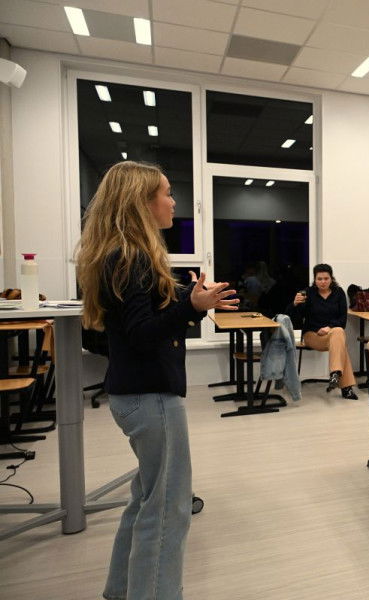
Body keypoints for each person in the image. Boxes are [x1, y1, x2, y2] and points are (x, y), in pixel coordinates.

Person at [76, 161, 238, 600]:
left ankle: (120, 590)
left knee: (146, 498)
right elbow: (143, 333)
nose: (173, 201)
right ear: (142, 203)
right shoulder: (131, 257)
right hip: (149, 397)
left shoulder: (121, 255)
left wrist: (189, 298)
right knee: (168, 509)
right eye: (166, 193)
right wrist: (192, 307)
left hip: (133, 393)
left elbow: (143, 313)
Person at [287, 263, 358, 400]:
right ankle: (345, 387)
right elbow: (294, 319)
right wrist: (294, 304)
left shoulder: (339, 293)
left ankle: (335, 374)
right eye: (319, 279)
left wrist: (328, 328)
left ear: (331, 278)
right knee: (340, 342)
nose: (323, 282)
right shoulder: (308, 293)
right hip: (311, 335)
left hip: (331, 335)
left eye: (326, 278)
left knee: (338, 332)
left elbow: (343, 320)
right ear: (315, 279)